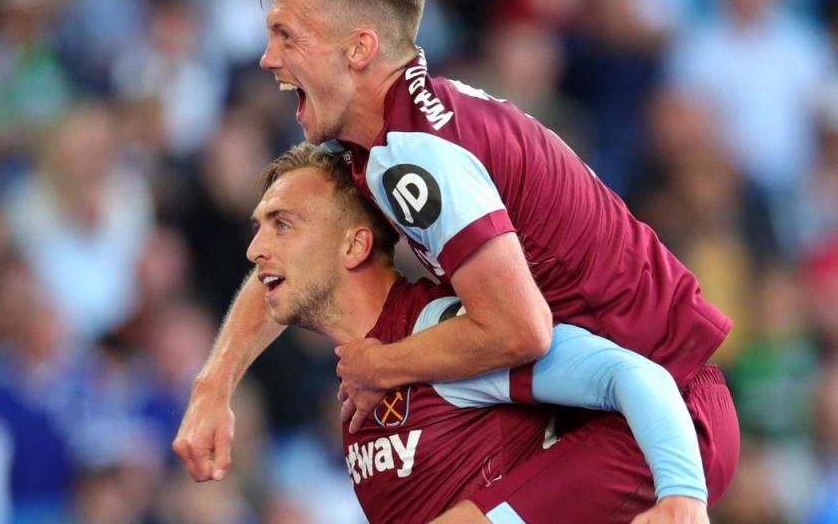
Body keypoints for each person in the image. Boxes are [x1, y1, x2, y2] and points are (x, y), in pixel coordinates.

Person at [173, 0, 739, 521]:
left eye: (287, 36)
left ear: (359, 49)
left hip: (659, 415)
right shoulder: (391, 137)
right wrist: (213, 385)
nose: (268, 58)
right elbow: (292, 261)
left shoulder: (414, 157)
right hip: (608, 404)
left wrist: (382, 365)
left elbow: (522, 330)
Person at [246, 142, 729, 523]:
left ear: (354, 246)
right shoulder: (361, 377)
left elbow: (631, 374)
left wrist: (682, 493)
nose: (255, 249)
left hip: (684, 423)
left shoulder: (445, 329)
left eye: (282, 225)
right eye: (259, 227)